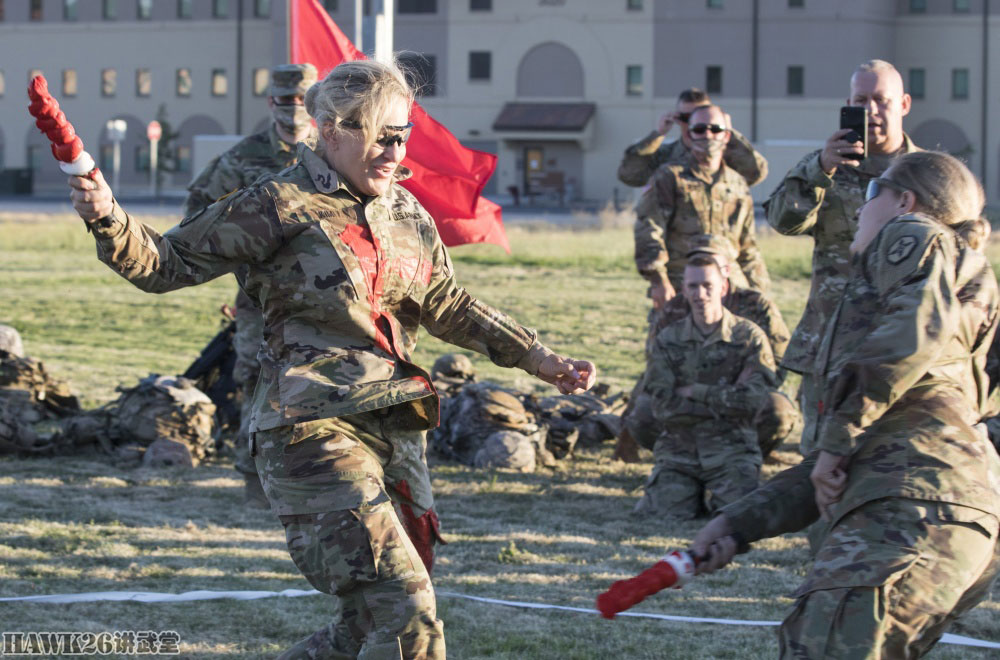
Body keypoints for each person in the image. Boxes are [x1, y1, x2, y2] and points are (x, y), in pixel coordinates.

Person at [68, 57, 597, 659]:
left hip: (397, 430)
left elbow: (447, 301)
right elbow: (166, 264)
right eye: (379, 135)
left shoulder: (405, 212)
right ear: (333, 129)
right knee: (406, 612)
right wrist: (107, 217)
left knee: (367, 625)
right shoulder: (277, 202)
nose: (394, 151)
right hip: (312, 430)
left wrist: (538, 356)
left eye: (403, 135)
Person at [692, 151, 1000, 658]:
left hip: (910, 511)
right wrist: (734, 525)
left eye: (872, 191)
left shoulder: (912, 233)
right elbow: (860, 461)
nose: (859, 208)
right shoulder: (964, 284)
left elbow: (909, 335)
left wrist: (836, 442)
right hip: (948, 514)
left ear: (906, 200)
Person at [766, 59, 920, 455]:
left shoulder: (926, 175)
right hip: (832, 339)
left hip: (901, 340)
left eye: (881, 100)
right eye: (860, 100)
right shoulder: (828, 167)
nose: (870, 111)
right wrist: (820, 171)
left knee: (894, 451)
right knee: (822, 453)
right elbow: (783, 221)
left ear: (903, 104)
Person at [184, 63, 320, 507]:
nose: (294, 109)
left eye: (303, 100)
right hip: (259, 298)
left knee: (320, 382)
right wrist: (235, 253)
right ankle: (254, 483)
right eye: (286, 100)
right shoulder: (243, 158)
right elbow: (198, 214)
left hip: (324, 296)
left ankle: (316, 478)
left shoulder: (330, 151)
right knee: (256, 380)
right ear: (272, 103)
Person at [621, 235, 795, 459]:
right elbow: (656, 365)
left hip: (737, 399)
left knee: (778, 410)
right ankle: (683, 456)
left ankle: (748, 453)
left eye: (713, 264)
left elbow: (778, 361)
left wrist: (736, 391)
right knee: (643, 413)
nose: (701, 289)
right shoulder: (675, 309)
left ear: (726, 270)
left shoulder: (756, 305)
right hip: (686, 402)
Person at [632, 255, 777, 519]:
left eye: (708, 285)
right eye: (693, 286)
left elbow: (755, 401)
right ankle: (686, 494)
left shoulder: (749, 338)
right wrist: (729, 400)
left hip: (732, 449)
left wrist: (695, 392)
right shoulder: (668, 339)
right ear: (684, 290)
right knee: (666, 513)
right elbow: (663, 407)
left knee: (739, 515)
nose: (700, 294)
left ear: (723, 287)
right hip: (679, 449)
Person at [634, 103, 771, 312]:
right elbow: (649, 229)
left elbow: (748, 247)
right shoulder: (670, 177)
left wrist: (760, 291)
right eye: (699, 129)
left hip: (731, 290)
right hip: (682, 287)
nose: (708, 135)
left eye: (715, 129)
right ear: (688, 136)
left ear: (726, 136)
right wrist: (657, 280)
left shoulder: (737, 184)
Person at [617, 88, 768, 188]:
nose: (693, 124)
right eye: (686, 117)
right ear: (676, 118)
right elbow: (629, 175)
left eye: (703, 119)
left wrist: (728, 132)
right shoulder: (666, 156)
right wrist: (658, 134)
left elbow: (756, 173)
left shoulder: (727, 156)